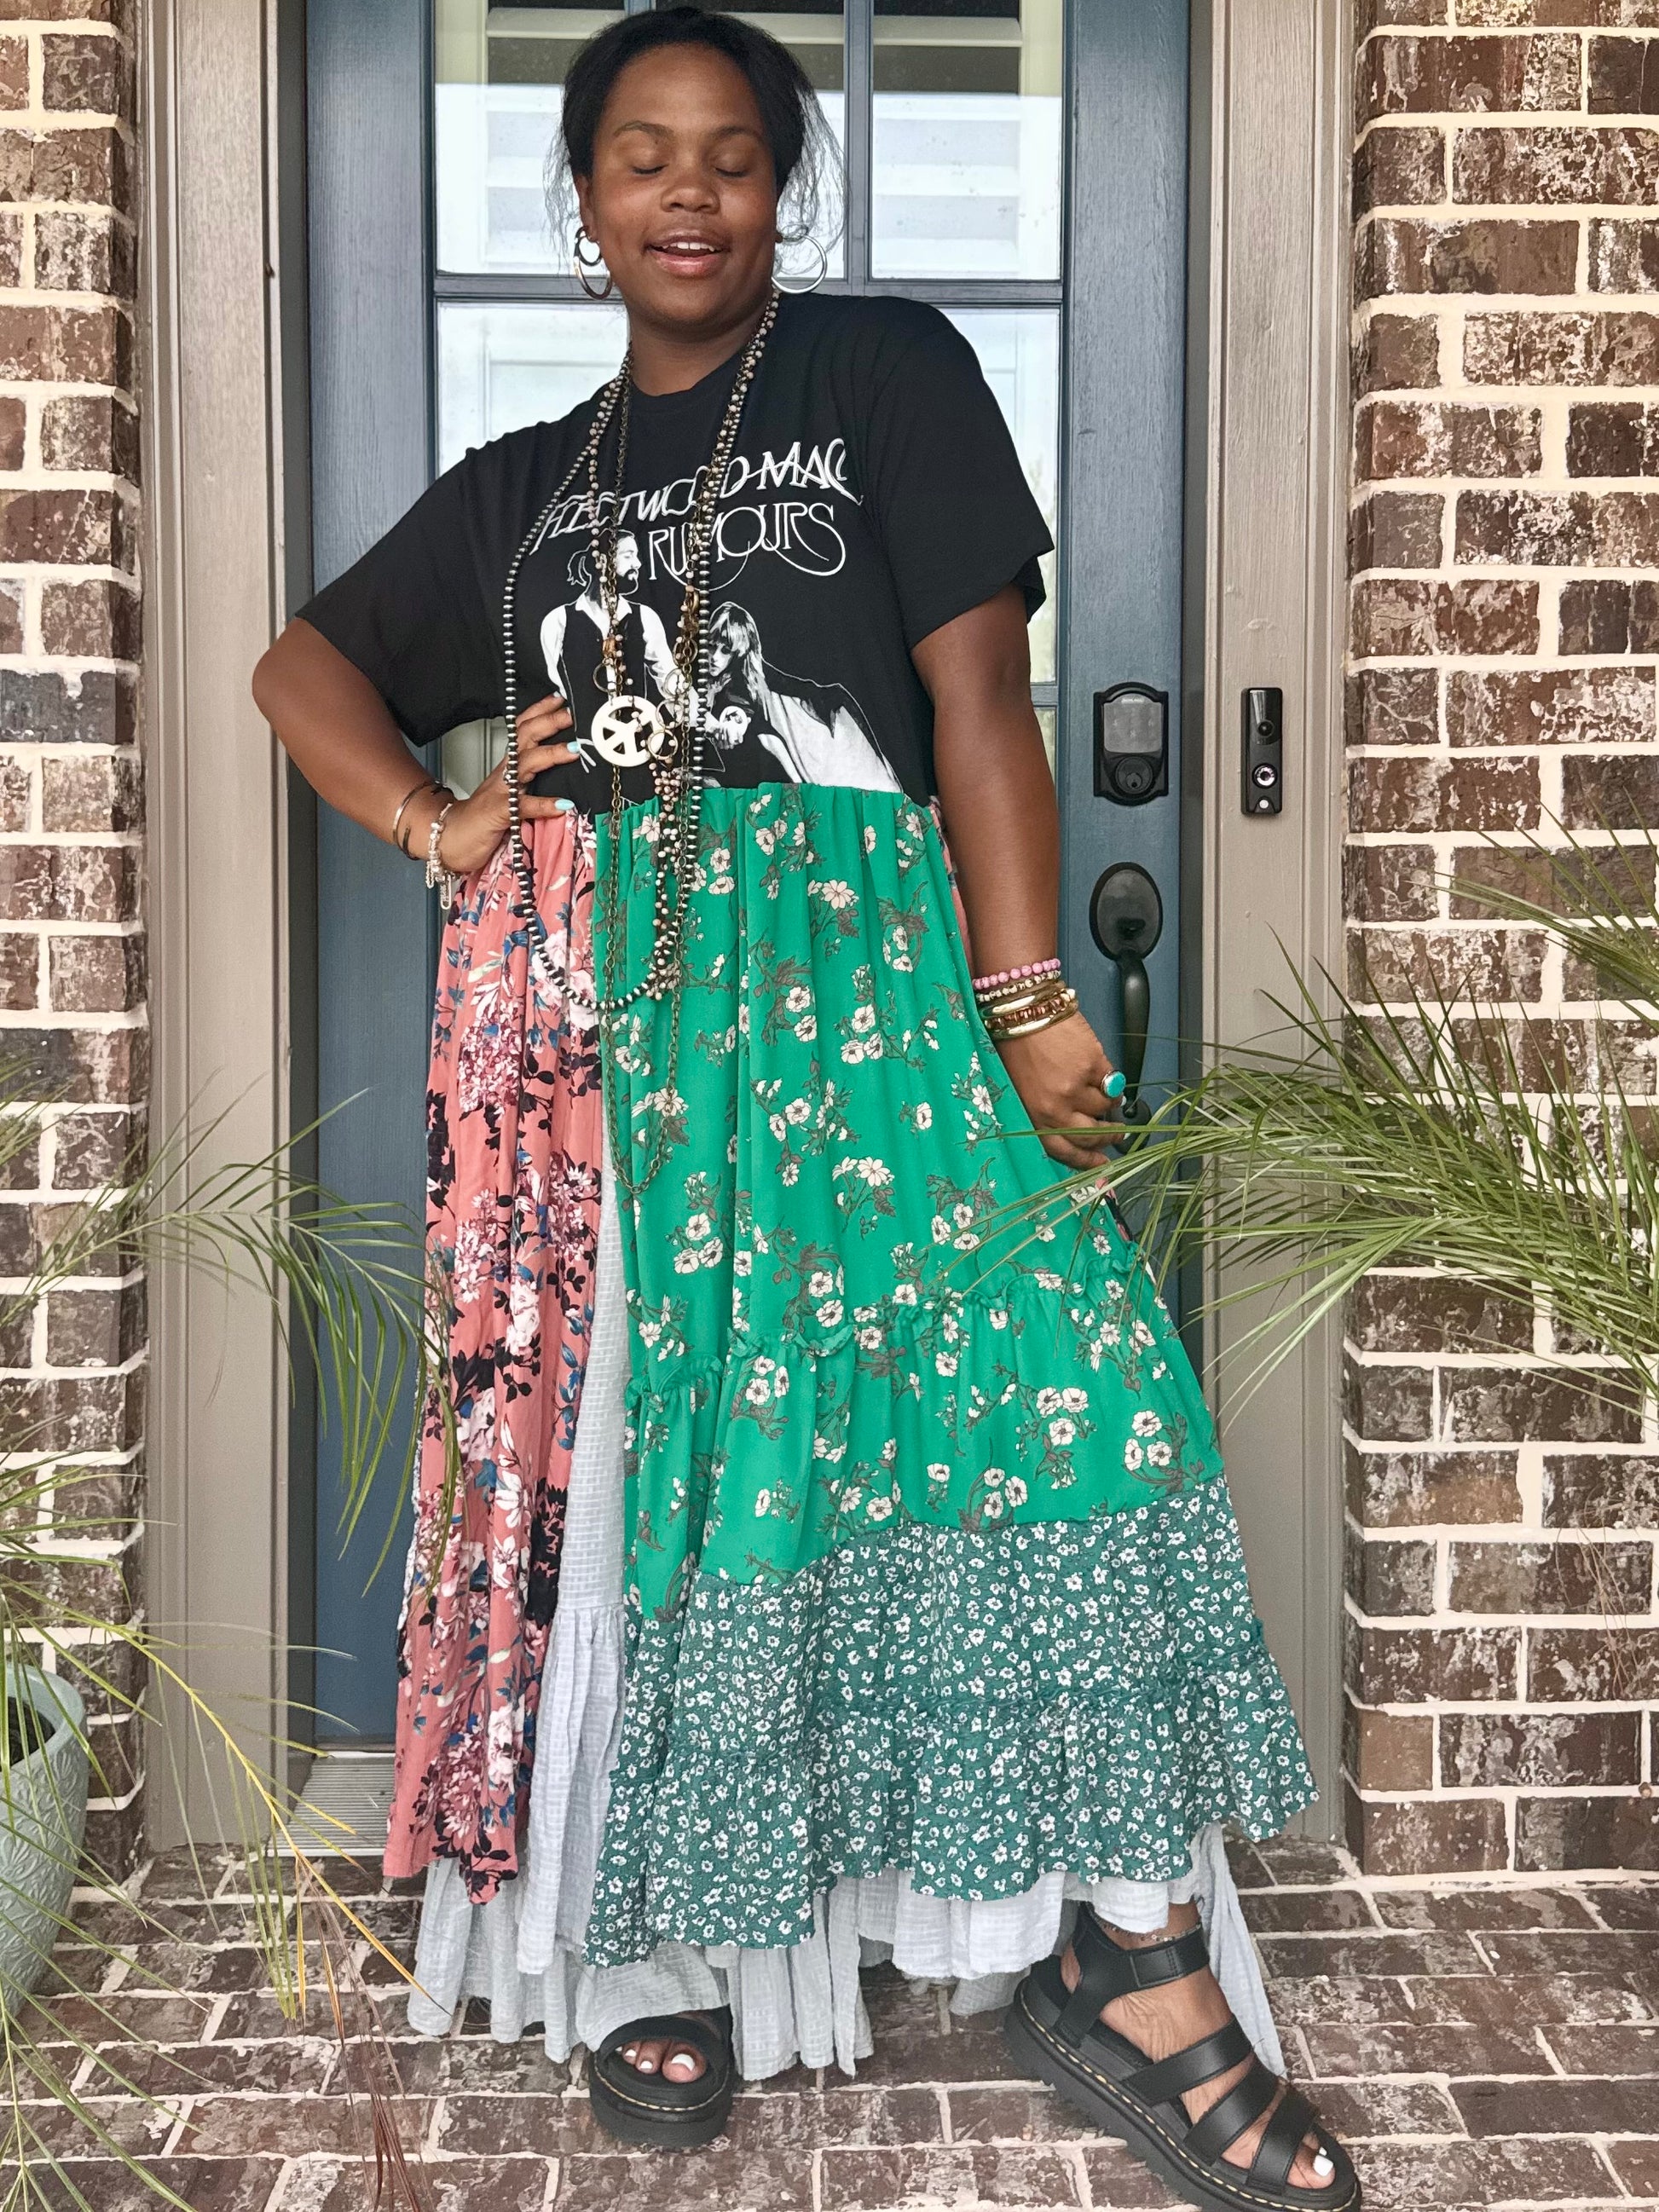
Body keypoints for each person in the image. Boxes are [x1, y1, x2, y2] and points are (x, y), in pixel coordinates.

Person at [252, 13, 1357, 2209]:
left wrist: (1026, 999)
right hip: (606, 1043)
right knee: (655, 1466)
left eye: (735, 157)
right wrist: (436, 819)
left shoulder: (882, 375)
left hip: (871, 1006)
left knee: (1075, 1401)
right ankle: (658, 1941)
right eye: (642, 156)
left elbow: (980, 706)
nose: (689, 191)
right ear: (583, 204)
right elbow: (303, 669)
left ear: (782, 190)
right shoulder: (522, 489)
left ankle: (1132, 1961)